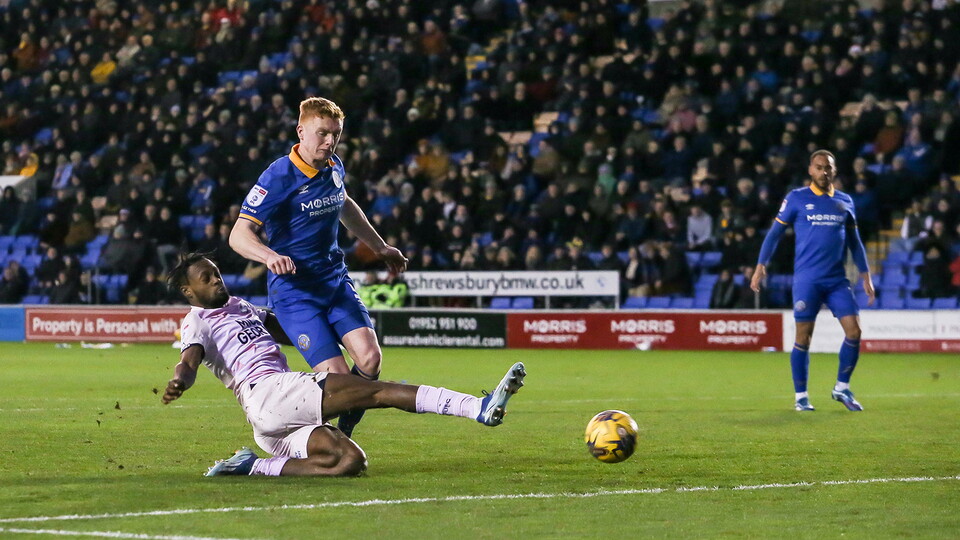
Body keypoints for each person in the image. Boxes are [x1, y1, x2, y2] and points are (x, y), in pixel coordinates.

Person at [162, 254, 524, 477]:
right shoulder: (197, 320)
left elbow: (285, 328)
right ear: (189, 292)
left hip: (271, 420)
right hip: (269, 391)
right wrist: (180, 381)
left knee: (349, 461)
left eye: (216, 273)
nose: (216, 280)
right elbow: (188, 360)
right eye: (206, 278)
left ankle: (253, 466)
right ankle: (477, 407)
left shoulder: (240, 306)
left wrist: (320, 332)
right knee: (376, 391)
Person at [229, 97, 408, 437]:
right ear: (301, 131)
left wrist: (380, 247)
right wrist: (269, 256)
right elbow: (238, 235)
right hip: (296, 293)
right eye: (322, 133)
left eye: (335, 135)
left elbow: (344, 204)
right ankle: (301, 440)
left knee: (370, 360)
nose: (329, 142)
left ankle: (345, 428)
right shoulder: (279, 175)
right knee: (338, 378)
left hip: (334, 282)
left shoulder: (333, 166)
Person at [751, 150, 875, 412]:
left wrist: (865, 275)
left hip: (837, 280)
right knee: (803, 338)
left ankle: (841, 387)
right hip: (808, 280)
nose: (824, 172)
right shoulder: (796, 198)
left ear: (834, 170)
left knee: (855, 331)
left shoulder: (845, 201)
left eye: (828, 168)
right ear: (810, 170)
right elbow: (774, 234)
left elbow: (855, 242)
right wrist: (761, 266)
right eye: (819, 167)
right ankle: (801, 397)